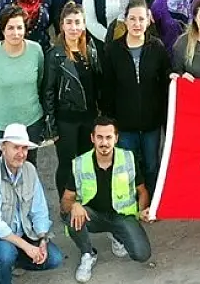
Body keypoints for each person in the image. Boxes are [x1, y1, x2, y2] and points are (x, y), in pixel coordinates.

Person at [61, 116, 153, 282]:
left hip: (121, 216)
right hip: (93, 216)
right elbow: (66, 199)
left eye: (109, 137)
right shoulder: (80, 164)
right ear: (92, 138)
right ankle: (88, 253)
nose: (104, 142)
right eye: (100, 137)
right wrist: (74, 205)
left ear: (116, 138)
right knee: (70, 216)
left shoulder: (128, 159)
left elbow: (142, 191)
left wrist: (141, 211)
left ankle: (117, 236)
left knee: (142, 254)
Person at [0, 124, 64, 284]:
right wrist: (27, 248)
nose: (21, 154)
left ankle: (14, 262)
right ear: (4, 148)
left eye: (24, 148)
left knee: (54, 258)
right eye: (16, 147)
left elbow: (39, 209)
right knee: (6, 254)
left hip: (23, 233)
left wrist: (42, 239)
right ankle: (6, 271)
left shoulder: (30, 170)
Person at [101, 0, 169, 194]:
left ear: (148, 20)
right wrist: (110, 121)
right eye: (133, 19)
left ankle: (152, 204)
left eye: (141, 19)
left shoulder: (157, 48)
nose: (137, 24)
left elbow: (165, 82)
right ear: (125, 20)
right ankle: (130, 203)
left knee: (151, 166)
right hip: (124, 124)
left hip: (151, 123)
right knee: (128, 167)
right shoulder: (113, 50)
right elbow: (107, 88)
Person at [42, 2, 101, 197]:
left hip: (89, 118)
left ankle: (86, 201)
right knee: (67, 164)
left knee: (87, 161)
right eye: (69, 22)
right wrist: (52, 126)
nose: (74, 27)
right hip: (66, 120)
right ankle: (66, 204)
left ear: (84, 24)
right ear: (62, 25)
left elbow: (98, 86)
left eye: (77, 22)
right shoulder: (54, 55)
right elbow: (48, 91)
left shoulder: (90, 51)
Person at [0, 6, 47, 165]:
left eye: (19, 27)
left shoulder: (36, 51)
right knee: (2, 168)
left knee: (29, 165)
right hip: (2, 123)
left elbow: (40, 80)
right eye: (10, 28)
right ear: (2, 30)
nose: (15, 33)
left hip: (30, 120)